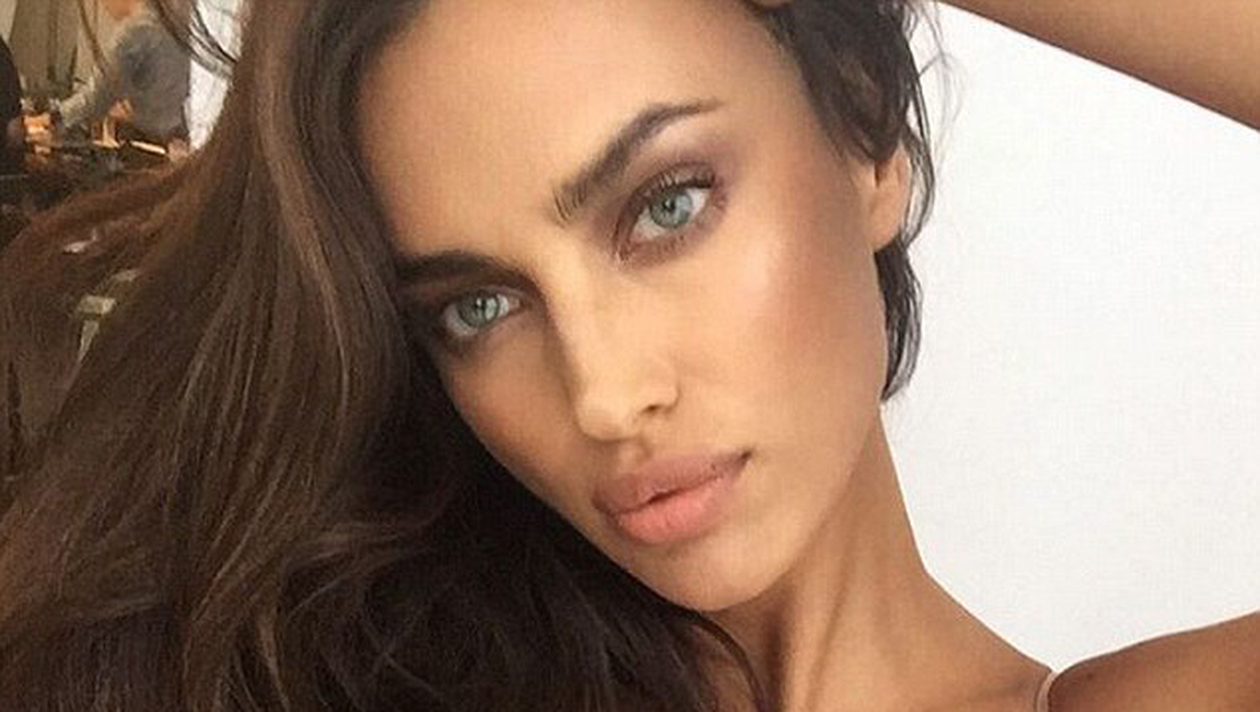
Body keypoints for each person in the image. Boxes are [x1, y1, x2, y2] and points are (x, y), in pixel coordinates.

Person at [0, 1, 1255, 711]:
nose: (603, 397)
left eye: (667, 205)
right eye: (479, 306)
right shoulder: (354, 673)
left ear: (868, 137)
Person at [25, 0, 190, 144]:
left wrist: (49, 119)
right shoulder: (173, 20)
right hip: (183, 137)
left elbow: (95, 99)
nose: (104, 7)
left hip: (152, 142)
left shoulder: (134, 31)